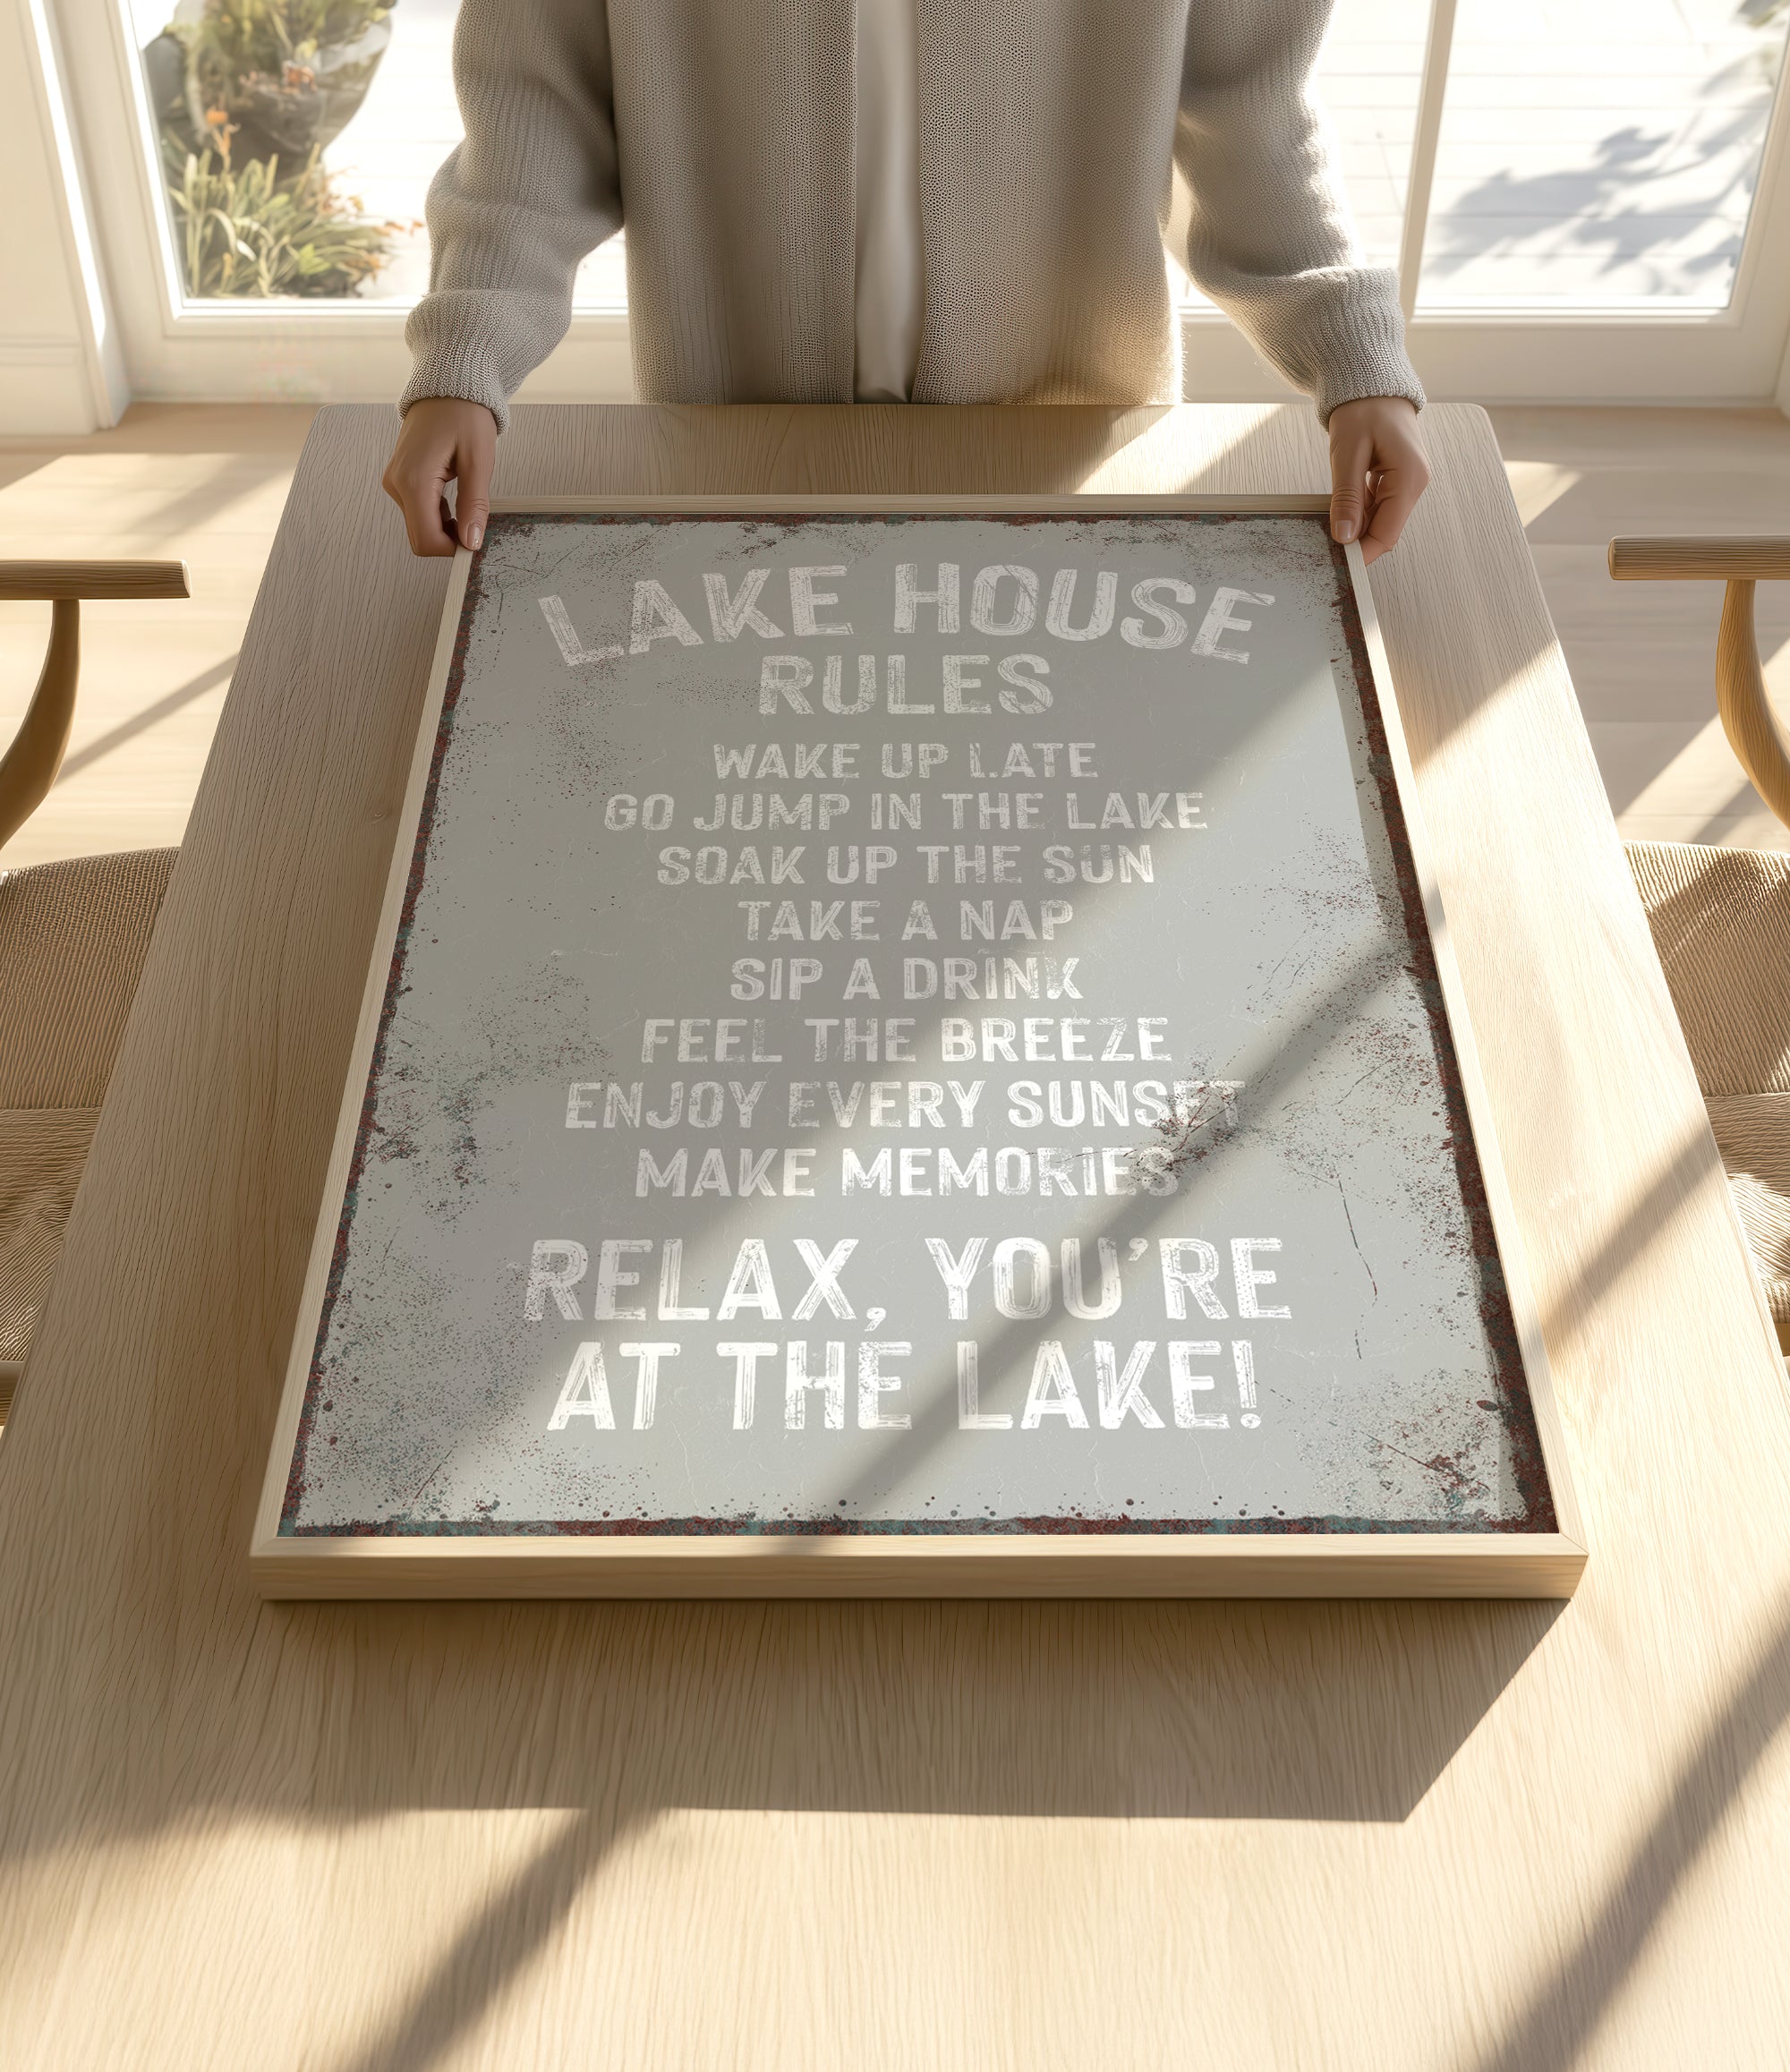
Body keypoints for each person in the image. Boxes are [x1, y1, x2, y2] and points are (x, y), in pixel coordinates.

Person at [384, 1, 1429, 563]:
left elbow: (1250, 113)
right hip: (738, 450)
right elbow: (535, 117)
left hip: (1062, 449)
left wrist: (1352, 355)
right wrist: (467, 356)